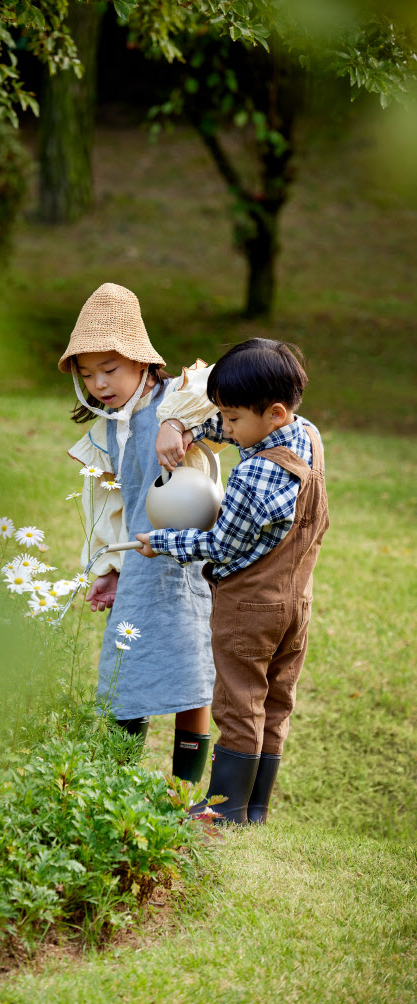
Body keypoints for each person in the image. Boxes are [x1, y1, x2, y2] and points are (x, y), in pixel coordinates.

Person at [136, 337, 329, 824]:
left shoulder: (253, 478)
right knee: (276, 701)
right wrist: (186, 427)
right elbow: (239, 427)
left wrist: (165, 541)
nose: (225, 428)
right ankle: (254, 808)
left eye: (232, 419)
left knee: (238, 702)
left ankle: (223, 811)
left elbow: (222, 545)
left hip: (249, 608)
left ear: (276, 413)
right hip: (297, 603)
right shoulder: (306, 435)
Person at [60, 282, 225, 785]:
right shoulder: (110, 427)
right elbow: (114, 505)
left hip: (181, 563)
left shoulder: (176, 399)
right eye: (87, 375)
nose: (100, 384)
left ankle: (184, 790)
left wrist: (178, 423)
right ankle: (114, 785)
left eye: (109, 369)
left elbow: (218, 386)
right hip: (137, 561)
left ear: (142, 363)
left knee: (188, 671)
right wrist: (108, 570)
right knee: (124, 667)